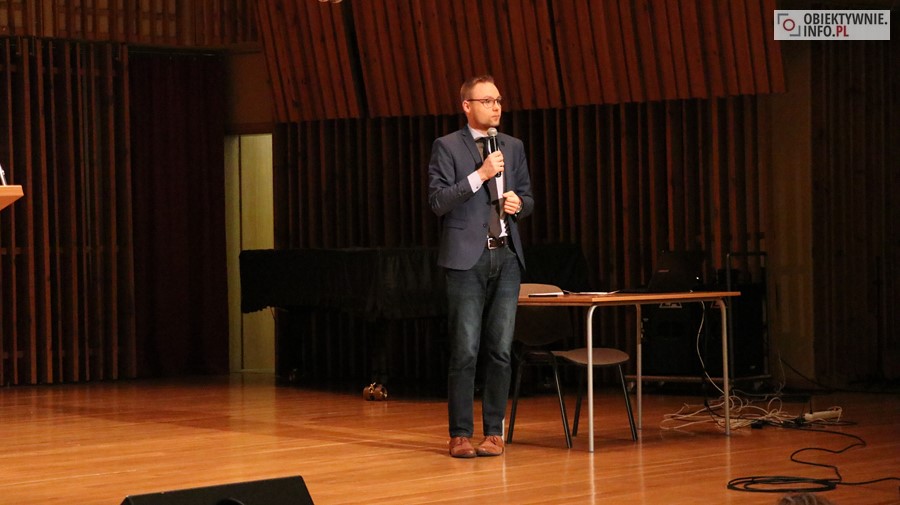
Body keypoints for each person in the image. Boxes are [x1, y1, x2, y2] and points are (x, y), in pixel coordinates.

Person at [427, 75, 534, 458]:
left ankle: (494, 433)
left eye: (499, 100)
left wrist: (519, 204)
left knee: (501, 350)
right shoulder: (447, 146)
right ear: (467, 106)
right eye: (487, 101)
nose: (496, 106)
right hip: (466, 260)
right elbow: (438, 201)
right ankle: (459, 434)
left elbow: (528, 197)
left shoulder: (513, 146)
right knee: (465, 350)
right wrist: (481, 175)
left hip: (506, 256)